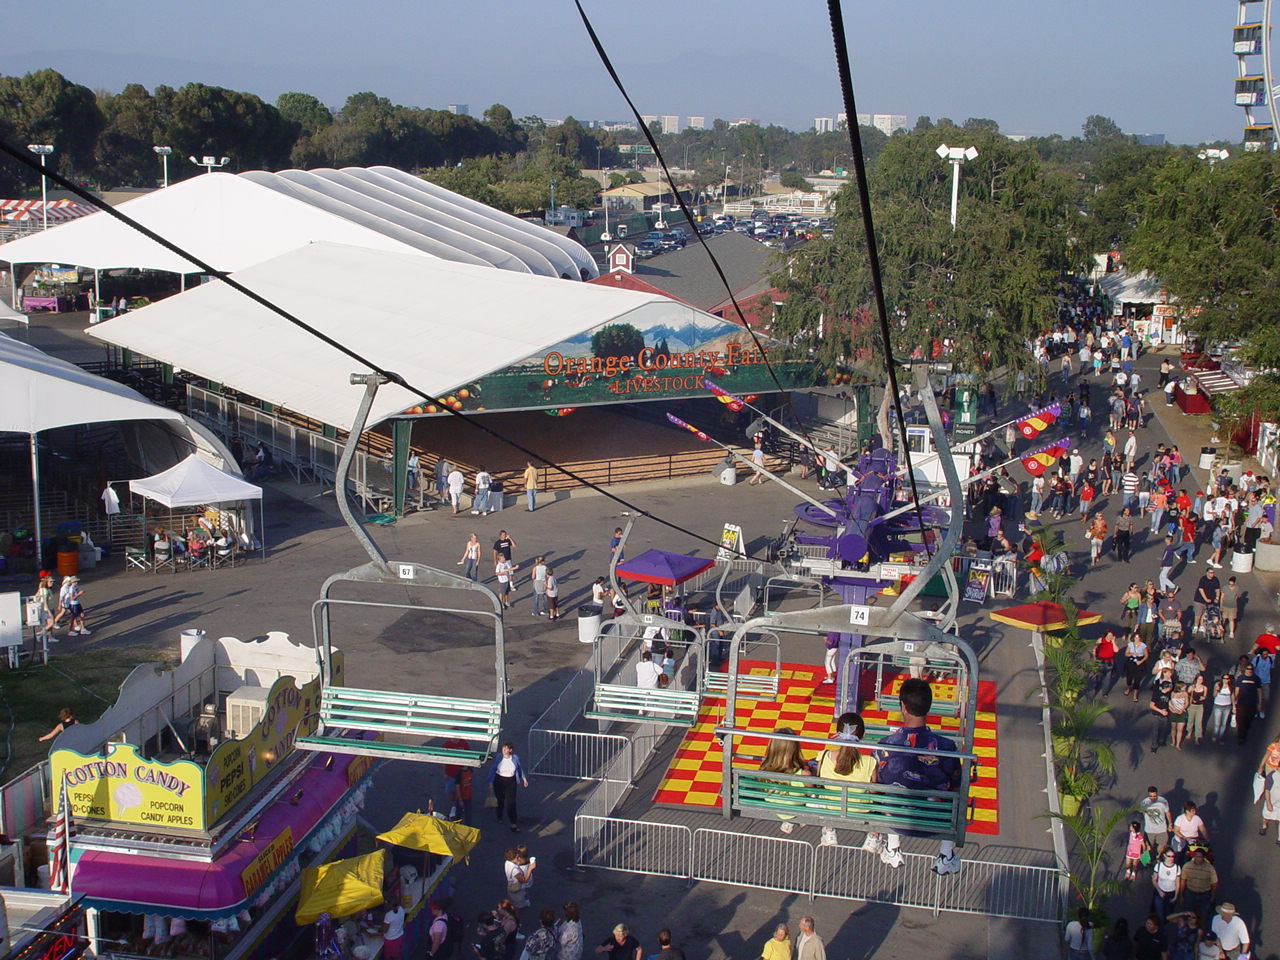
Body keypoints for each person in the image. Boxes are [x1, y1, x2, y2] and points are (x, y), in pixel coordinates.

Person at [873, 678, 962, 874]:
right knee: (954, 798)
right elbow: (957, 785)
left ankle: (893, 845)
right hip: (936, 820)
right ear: (928, 707)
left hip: (895, 819)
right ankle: (946, 854)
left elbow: (875, 784)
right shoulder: (946, 747)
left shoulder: (885, 745)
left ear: (903, 706)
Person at [488, 742, 528, 831]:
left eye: (506, 749)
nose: (504, 750)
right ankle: (500, 816)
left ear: (510, 750)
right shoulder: (499, 757)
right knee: (500, 800)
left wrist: (524, 779)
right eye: (503, 748)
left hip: (511, 781)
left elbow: (519, 768)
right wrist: (490, 782)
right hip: (499, 780)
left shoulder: (515, 758)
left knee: (511, 802)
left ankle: (513, 822)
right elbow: (492, 770)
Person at [1179, 846, 1218, 923]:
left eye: (1200, 857)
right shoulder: (1187, 866)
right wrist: (1181, 895)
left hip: (1204, 895)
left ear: (1203, 857)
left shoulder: (1210, 868)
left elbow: (1214, 883)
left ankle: (1202, 930)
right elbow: (1183, 880)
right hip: (1190, 893)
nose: (1198, 859)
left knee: (1204, 916)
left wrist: (1213, 897)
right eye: (1196, 856)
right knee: (1188, 914)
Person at [1139, 785, 1173, 856]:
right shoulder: (1144, 803)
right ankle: (1146, 863)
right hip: (1149, 830)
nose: (1153, 798)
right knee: (1147, 848)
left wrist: (1170, 824)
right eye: (1151, 796)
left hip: (1162, 829)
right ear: (1148, 795)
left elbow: (1167, 813)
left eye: (1154, 796)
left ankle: (1158, 857)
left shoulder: (1163, 801)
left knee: (1162, 847)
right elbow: (1143, 813)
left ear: (1157, 794)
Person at [1234, 663, 1262, 745]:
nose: (1249, 671)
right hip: (1242, 703)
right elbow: (1237, 690)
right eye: (1248, 669)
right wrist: (1235, 700)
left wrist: (1260, 703)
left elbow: (1259, 691)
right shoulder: (1240, 678)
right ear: (1245, 670)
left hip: (1252, 703)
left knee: (1249, 719)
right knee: (1241, 720)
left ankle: (1246, 729)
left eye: (1251, 669)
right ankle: (1241, 738)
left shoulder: (1256, 679)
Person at [1210, 675, 1235, 743]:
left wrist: (1234, 707)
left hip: (1227, 706)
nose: (1225, 680)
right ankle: (1215, 736)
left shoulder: (1231, 687)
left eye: (1227, 679)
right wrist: (1217, 690)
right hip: (1218, 705)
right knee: (1217, 723)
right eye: (1224, 678)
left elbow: (1232, 697)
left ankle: (1220, 737)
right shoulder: (1218, 684)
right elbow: (1214, 695)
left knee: (1223, 724)